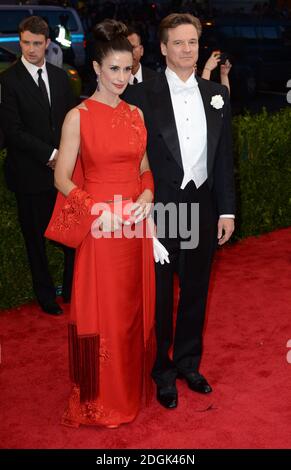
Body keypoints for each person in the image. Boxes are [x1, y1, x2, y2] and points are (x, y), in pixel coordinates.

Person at [45, 19, 158, 428]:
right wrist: (95, 209)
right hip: (100, 228)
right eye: (114, 69)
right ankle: (98, 398)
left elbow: (144, 167)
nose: (122, 78)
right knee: (101, 315)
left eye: (127, 69)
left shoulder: (136, 114)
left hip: (133, 228)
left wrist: (147, 194)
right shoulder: (79, 116)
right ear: (96, 67)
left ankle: (129, 389)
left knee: (131, 312)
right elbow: (62, 177)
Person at [124, 13, 235, 409]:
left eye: (193, 43)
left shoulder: (214, 94)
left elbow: (222, 158)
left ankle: (189, 363)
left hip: (203, 207)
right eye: (179, 43)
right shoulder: (141, 95)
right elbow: (130, 159)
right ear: (164, 48)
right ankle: (163, 371)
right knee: (160, 298)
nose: (188, 50)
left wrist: (227, 211)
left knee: (195, 292)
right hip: (162, 210)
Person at [0, 16, 75, 315]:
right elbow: (13, 131)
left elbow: (70, 121)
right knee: (35, 242)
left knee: (71, 237)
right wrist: (52, 154)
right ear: (20, 42)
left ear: (47, 43)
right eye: (25, 43)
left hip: (64, 175)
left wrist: (68, 156)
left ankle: (71, 289)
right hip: (29, 174)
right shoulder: (7, 81)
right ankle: (45, 295)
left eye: (36, 43)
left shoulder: (60, 78)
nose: (30, 49)